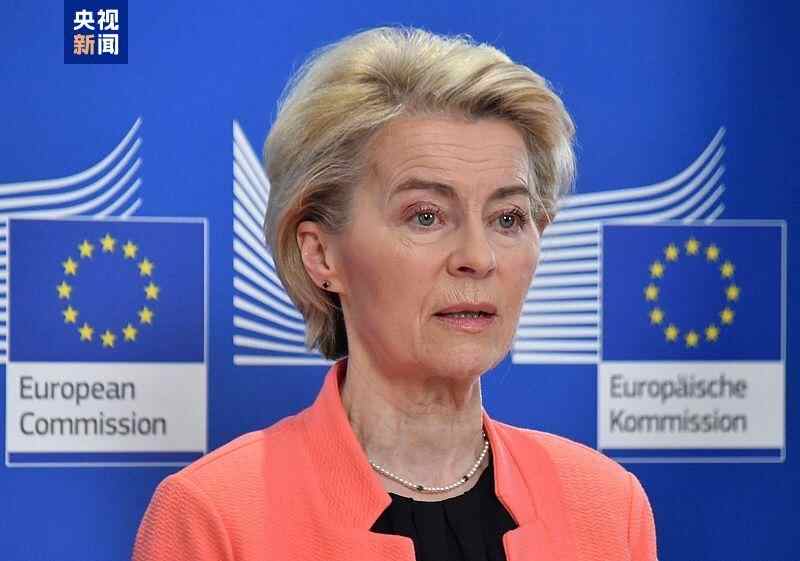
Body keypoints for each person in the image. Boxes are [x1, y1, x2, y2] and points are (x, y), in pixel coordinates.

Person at [133, 26, 657, 561]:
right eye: (426, 216)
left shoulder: (608, 506)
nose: (478, 257)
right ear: (322, 255)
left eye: (508, 218)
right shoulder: (213, 515)